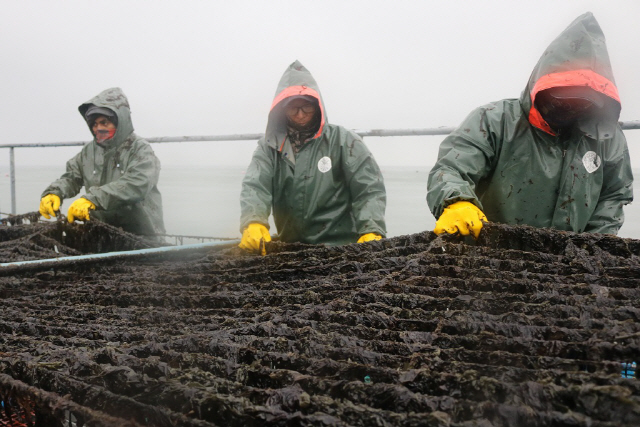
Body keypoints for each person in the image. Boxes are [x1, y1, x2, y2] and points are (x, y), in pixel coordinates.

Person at [427, 12, 633, 238]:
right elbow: (451, 168)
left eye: (581, 102)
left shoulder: (607, 137)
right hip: (489, 251)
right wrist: (456, 201)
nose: (569, 107)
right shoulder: (494, 121)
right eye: (561, 98)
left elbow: (615, 194)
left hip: (572, 259)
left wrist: (594, 243)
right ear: (541, 86)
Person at [239, 60, 387, 254]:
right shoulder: (268, 148)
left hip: (342, 248)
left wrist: (372, 228)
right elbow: (255, 184)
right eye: (293, 109)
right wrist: (253, 220)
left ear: (317, 106)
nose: (300, 115)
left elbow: (369, 189)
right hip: (290, 249)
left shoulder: (344, 140)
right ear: (282, 109)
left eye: (306, 108)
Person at [39, 87, 165, 238]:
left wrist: (93, 199)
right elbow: (72, 177)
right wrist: (54, 193)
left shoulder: (140, 149)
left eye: (104, 122)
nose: (98, 128)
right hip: (102, 234)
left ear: (120, 121)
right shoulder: (88, 151)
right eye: (95, 124)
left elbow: (137, 183)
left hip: (142, 235)